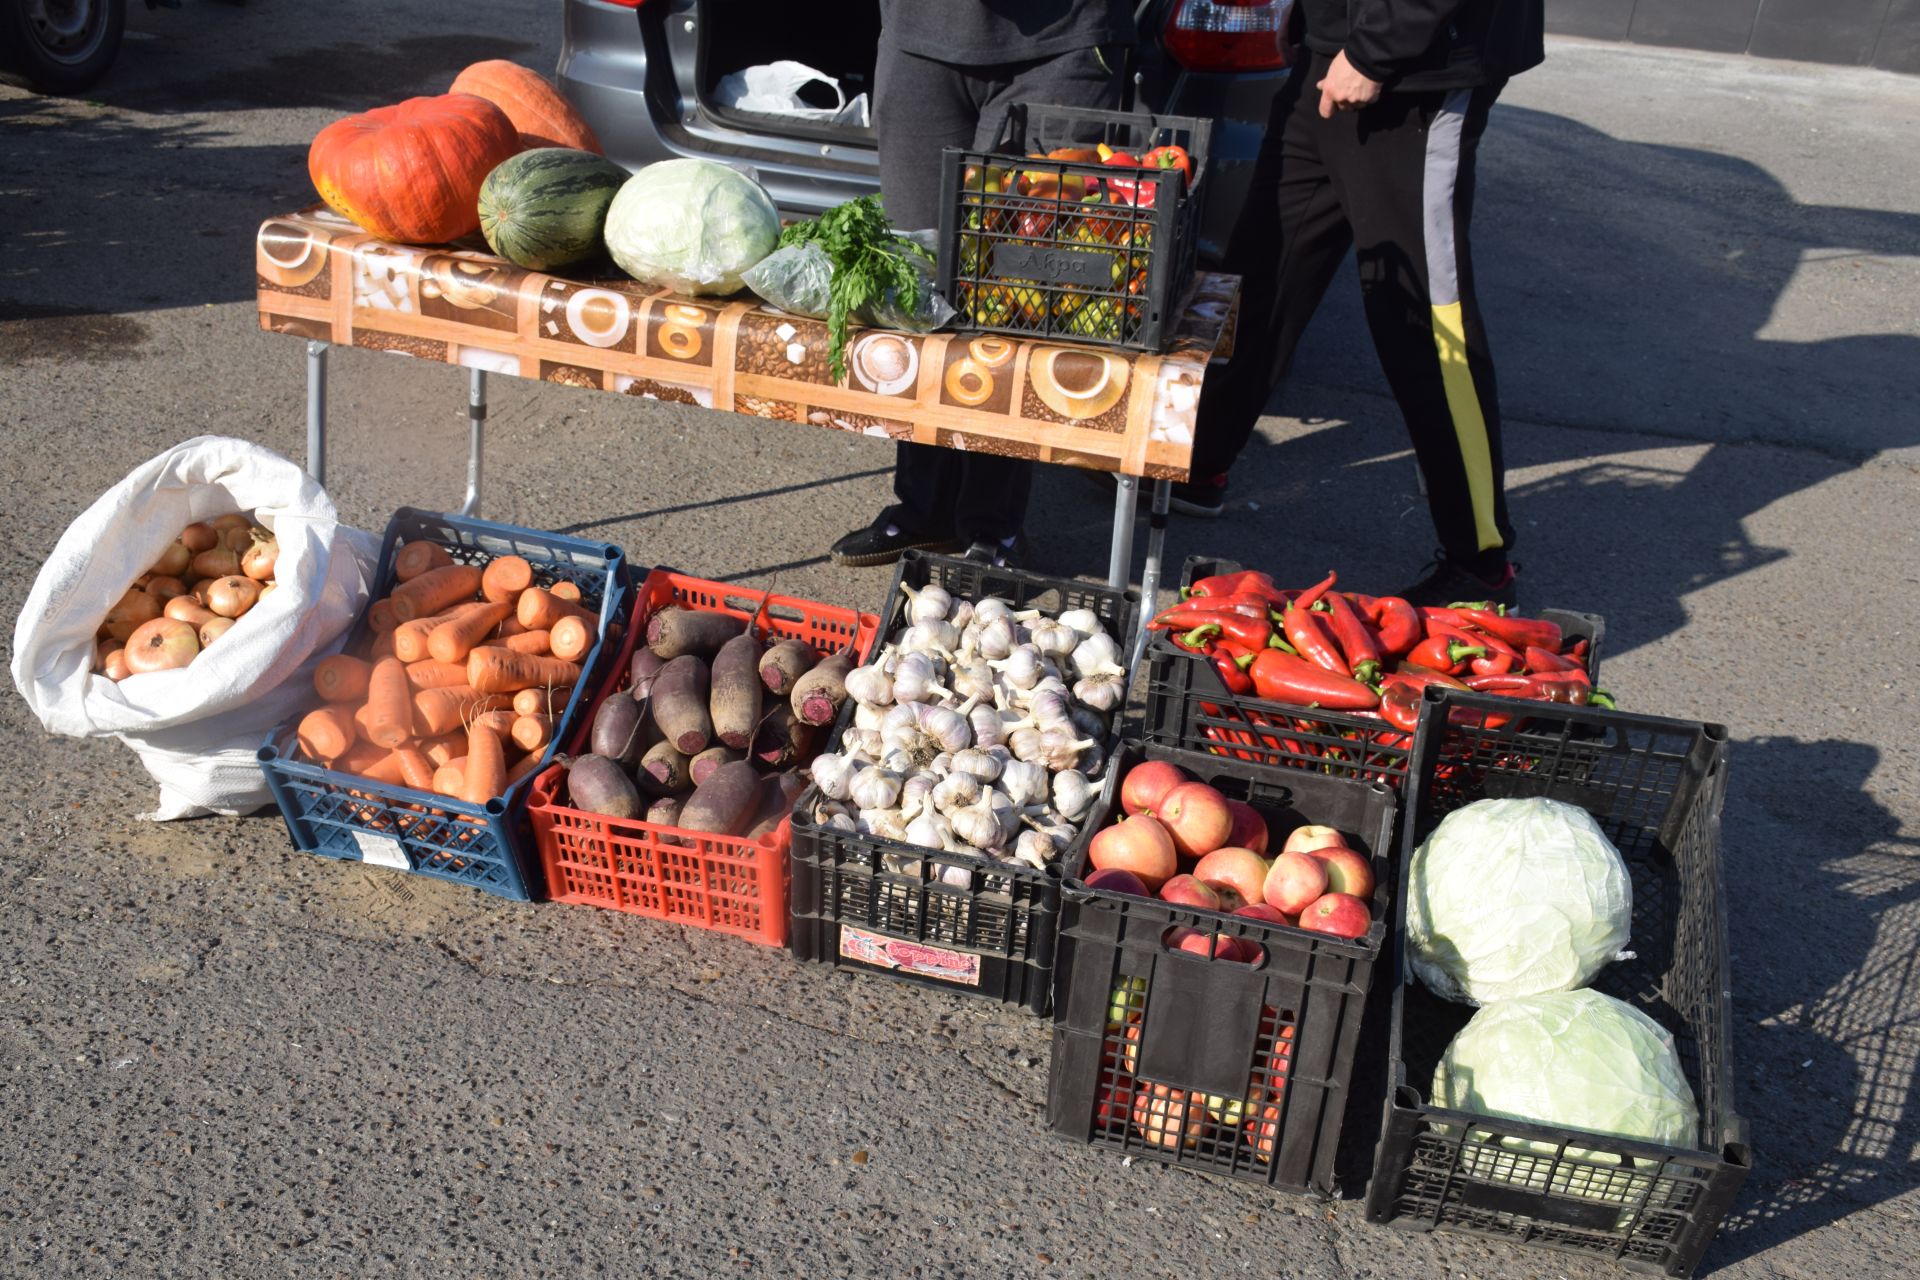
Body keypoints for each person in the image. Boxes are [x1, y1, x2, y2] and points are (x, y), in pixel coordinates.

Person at [1192, 0, 1544, 604]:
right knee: (1262, 269)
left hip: (1414, 72)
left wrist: (1376, 48)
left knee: (1425, 320)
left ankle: (1479, 559)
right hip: (1333, 55)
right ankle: (1197, 463)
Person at [829, 0, 1137, 570]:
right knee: (920, 281)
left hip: (1062, 42)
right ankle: (924, 507)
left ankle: (992, 524)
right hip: (923, 35)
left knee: (1019, 291)